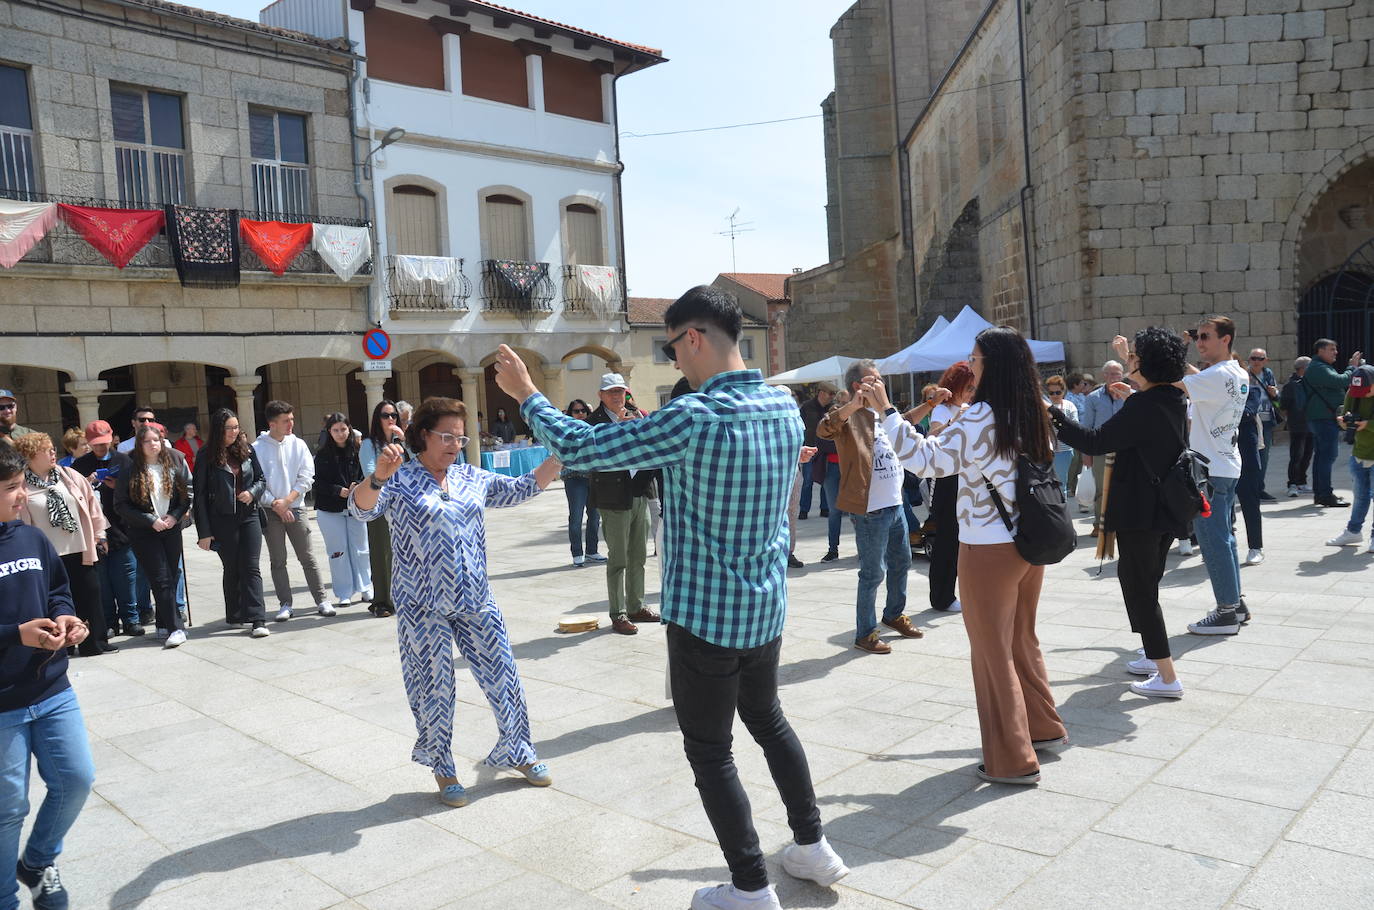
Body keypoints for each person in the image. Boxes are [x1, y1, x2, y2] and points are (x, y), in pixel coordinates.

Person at [500, 286, 849, 910]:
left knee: (711, 750)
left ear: (693, 338)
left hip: (706, 615)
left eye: (671, 346)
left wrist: (528, 392)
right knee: (768, 721)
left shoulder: (694, 417)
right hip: (765, 605)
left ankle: (749, 887)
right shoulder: (781, 406)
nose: (674, 360)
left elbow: (582, 449)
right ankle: (813, 846)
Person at [349, 397, 560, 808]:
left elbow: (521, 488)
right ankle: (443, 767)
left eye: (460, 438)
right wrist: (376, 478)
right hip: (422, 606)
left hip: (476, 598)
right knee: (434, 688)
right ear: (422, 434)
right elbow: (360, 512)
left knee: (504, 677)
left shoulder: (469, 477)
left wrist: (559, 457)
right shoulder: (398, 478)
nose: (454, 445)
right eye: (446, 436)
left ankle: (519, 750)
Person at [884, 325, 1069, 785]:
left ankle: (1012, 758)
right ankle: (1043, 726)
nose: (972, 364)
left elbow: (928, 461)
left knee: (992, 654)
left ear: (992, 365)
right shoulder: (1034, 409)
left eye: (976, 357)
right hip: (1029, 540)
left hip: (988, 545)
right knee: (1022, 639)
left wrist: (887, 414)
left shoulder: (981, 414)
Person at [1050, 328, 1190, 699]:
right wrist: (1134, 395)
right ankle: (1151, 654)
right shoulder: (1171, 397)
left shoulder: (1143, 406)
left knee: (1141, 589)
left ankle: (1167, 675)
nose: (1130, 360)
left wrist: (1052, 413)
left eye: (1134, 356)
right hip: (1164, 508)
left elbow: (1093, 441)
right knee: (1144, 582)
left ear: (1146, 363)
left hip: (1141, 511)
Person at [0, 444, 96, 910]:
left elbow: (58, 590)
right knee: (8, 808)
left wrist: (67, 620)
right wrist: (14, 635)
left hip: (52, 688)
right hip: (3, 706)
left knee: (77, 778)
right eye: (11, 489)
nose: (22, 498)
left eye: (20, 486)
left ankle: (37, 861)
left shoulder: (30, 538)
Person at [817, 360, 929, 654]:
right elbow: (823, 429)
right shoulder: (850, 417)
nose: (881, 384)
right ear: (859, 385)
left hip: (895, 506)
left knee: (902, 562)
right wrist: (854, 405)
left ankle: (893, 614)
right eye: (875, 380)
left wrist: (930, 403)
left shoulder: (882, 415)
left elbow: (906, 419)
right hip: (870, 510)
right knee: (872, 573)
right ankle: (864, 633)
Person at [12, 433, 115, 656]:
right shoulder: (21, 484)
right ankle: (62, 645)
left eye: (53, 448)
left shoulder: (68, 475)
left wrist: (100, 534)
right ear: (30, 455)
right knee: (55, 601)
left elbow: (91, 504)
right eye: (46, 450)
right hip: (47, 555)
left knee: (89, 595)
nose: (53, 453)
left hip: (80, 548)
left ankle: (94, 643)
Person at [1180, 316, 1251, 636]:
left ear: (1226, 339)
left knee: (1213, 542)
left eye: (1206, 336)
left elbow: (1174, 383)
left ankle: (1226, 612)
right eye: (1197, 337)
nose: (1200, 342)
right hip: (1225, 465)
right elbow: (1196, 379)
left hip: (1209, 470)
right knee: (1225, 539)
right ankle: (1235, 604)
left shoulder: (1217, 374)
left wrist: (1141, 362)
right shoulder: (1237, 372)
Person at [587, 374, 660, 635]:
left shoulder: (636, 415)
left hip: (639, 490)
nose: (617, 397)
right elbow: (594, 453)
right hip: (612, 495)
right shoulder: (594, 422)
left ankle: (635, 606)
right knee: (618, 558)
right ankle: (618, 613)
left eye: (620, 391)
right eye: (611, 392)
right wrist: (618, 426)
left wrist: (641, 426)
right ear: (601, 395)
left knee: (638, 555)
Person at [192, 408, 271, 638]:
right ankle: (236, 613)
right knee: (232, 567)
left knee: (251, 566)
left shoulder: (247, 450)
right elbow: (199, 495)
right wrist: (204, 532)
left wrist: (252, 492)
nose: (234, 432)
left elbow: (261, 479)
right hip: (222, 519)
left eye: (237, 427)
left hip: (249, 515)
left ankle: (258, 619)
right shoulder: (206, 455)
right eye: (229, 428)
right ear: (219, 429)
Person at [252, 400, 331, 621]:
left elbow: (307, 477)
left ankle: (322, 600)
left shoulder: (299, 445)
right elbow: (256, 482)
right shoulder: (257, 448)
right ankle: (285, 604)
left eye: (292, 419)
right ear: (272, 423)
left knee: (307, 556)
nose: (291, 424)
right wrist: (276, 504)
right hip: (271, 511)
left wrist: (287, 501)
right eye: (286, 420)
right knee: (278, 560)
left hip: (296, 508)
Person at [114, 424, 191, 648]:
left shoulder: (172, 463)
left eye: (156, 440)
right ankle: (176, 628)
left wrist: (175, 517)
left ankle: (163, 624)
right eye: (147, 441)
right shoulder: (129, 467)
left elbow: (184, 498)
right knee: (160, 578)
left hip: (171, 528)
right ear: (140, 444)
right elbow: (121, 505)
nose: (153, 444)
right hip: (144, 532)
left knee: (172, 576)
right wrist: (150, 520)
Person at [71, 421, 141, 638]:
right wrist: (86, 484)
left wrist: (118, 486)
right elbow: (72, 498)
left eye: (104, 443)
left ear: (111, 438)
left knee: (126, 577)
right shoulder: (79, 466)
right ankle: (109, 622)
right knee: (102, 581)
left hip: (122, 528)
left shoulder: (124, 460)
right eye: (96, 444)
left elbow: (138, 492)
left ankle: (131, 619)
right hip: (95, 532)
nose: (101, 447)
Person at [923, 361, 976, 613]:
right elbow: (932, 438)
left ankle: (959, 591)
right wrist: (956, 420)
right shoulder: (943, 410)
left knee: (964, 539)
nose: (970, 393)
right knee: (947, 540)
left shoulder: (971, 407)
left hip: (968, 477)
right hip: (947, 480)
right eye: (967, 388)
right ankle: (942, 596)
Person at [312, 413, 371, 611]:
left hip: (356, 506)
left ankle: (365, 587)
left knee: (361, 549)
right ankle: (344, 592)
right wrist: (339, 491)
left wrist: (357, 488)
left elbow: (366, 474)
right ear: (329, 431)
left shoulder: (358, 450)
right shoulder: (322, 454)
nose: (340, 434)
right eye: (335, 430)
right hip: (330, 508)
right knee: (338, 551)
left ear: (349, 429)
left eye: (343, 429)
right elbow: (317, 483)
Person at [360, 401, 406, 618]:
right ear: (377, 419)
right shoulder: (369, 444)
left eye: (394, 415)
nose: (391, 420)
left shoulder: (403, 442)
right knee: (381, 553)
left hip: (403, 503)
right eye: (385, 415)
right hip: (379, 502)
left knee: (405, 552)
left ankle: (403, 597)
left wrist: (405, 442)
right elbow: (370, 471)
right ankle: (382, 601)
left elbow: (416, 466)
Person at [1304, 338, 1363, 508]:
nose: (1335, 352)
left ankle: (1321, 493)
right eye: (1332, 349)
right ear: (1320, 351)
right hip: (1323, 419)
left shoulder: (1321, 367)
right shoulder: (1318, 367)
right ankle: (1325, 494)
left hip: (1322, 418)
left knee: (1322, 457)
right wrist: (1352, 367)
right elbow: (1341, 380)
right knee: (1327, 457)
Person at [1325, 364, 1374, 553]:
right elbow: (1348, 422)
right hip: (1359, 454)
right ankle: (1354, 531)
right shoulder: (1353, 393)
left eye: (1365, 390)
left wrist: (1367, 424)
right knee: (1360, 496)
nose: (1361, 395)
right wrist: (1345, 423)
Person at [1082, 360, 1127, 533]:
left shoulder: (1131, 396)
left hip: (1125, 449)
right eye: (1110, 373)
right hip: (1101, 449)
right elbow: (1087, 426)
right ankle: (1099, 524)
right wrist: (1086, 453)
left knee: (1123, 487)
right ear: (1104, 376)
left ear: (1122, 375)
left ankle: (1121, 523)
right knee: (1102, 488)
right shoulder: (1093, 398)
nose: (1113, 377)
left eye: (1117, 373)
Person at [559, 400, 605, 567]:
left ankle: (592, 551)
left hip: (593, 477)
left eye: (583, 411)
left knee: (594, 517)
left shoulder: (592, 429)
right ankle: (577, 553)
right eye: (576, 411)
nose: (580, 414)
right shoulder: (566, 431)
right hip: (574, 478)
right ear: (570, 414)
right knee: (576, 516)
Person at [1237, 353, 1268, 567]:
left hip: (1246, 456)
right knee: (1221, 505)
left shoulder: (1253, 390)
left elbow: (1247, 413)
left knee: (1249, 502)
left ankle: (1255, 547)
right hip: (1220, 456)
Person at [797, 382, 836, 519]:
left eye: (833, 395)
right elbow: (799, 427)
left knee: (824, 480)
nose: (832, 397)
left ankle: (824, 508)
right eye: (830, 394)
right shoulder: (807, 407)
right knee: (807, 481)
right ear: (821, 393)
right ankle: (804, 510)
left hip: (825, 450)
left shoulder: (832, 408)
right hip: (809, 448)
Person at [1247, 349, 1279, 501]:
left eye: (1260, 358)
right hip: (1251, 419)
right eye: (1253, 358)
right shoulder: (1244, 374)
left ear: (1266, 360)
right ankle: (1248, 488)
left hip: (1266, 419)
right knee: (1250, 456)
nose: (1256, 361)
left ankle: (1259, 488)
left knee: (1264, 456)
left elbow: (1275, 394)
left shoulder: (1268, 374)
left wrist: (1274, 392)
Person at [1281, 356, 1314, 497]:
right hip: (1297, 425)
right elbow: (1283, 405)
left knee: (1307, 455)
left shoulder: (1311, 383)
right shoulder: (1291, 385)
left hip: (1310, 424)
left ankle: (1302, 482)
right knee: (1296, 455)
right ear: (1303, 368)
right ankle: (1292, 483)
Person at [1044, 375, 1078, 489]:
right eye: (1051, 393)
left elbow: (1075, 426)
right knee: (1045, 484)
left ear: (1063, 391)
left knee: (1060, 484)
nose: (1054, 396)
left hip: (1064, 451)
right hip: (1044, 450)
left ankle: (1062, 506)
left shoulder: (1070, 406)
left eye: (1058, 392)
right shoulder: (1043, 406)